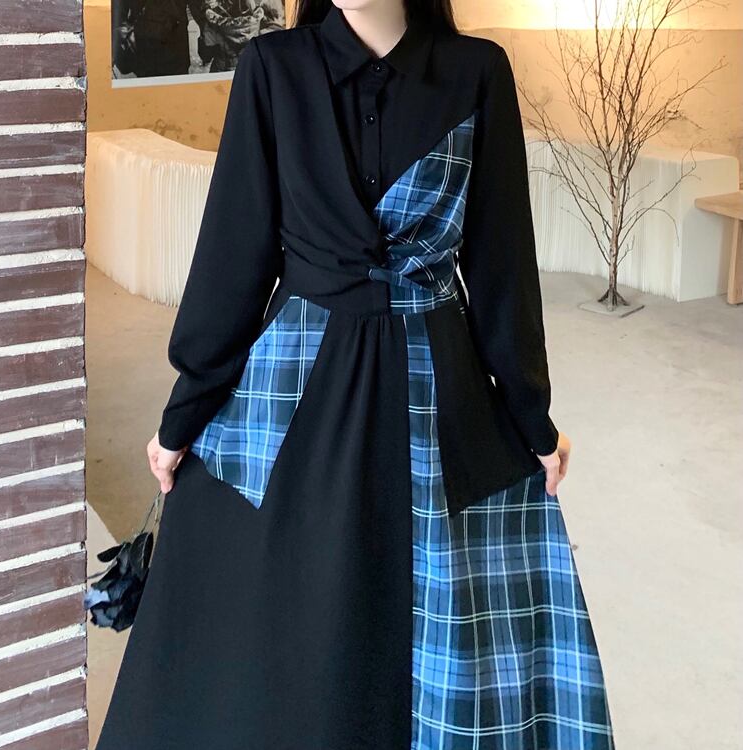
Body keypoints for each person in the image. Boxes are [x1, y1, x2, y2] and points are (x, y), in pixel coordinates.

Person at [96, 1, 616, 748]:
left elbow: (501, 265)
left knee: (424, 626)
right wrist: (184, 415)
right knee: (295, 629)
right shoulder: (272, 68)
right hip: (296, 387)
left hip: (438, 390)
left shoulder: (477, 72)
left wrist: (533, 419)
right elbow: (233, 258)